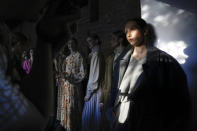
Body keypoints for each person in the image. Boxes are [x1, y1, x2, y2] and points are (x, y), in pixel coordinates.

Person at [110, 18, 190, 131]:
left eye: (132, 29)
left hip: (146, 120)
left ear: (145, 31)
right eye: (126, 31)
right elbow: (115, 88)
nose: (128, 34)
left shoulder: (162, 60)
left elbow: (177, 98)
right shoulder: (121, 60)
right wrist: (111, 110)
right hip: (120, 120)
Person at [99, 30, 129, 130]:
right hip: (110, 98)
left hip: (123, 98)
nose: (110, 42)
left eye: (113, 39)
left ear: (120, 40)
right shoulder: (109, 58)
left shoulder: (129, 56)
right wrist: (102, 99)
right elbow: (105, 80)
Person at [57, 38, 86, 131]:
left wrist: (70, 76)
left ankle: (74, 127)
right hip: (66, 87)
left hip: (74, 86)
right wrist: (61, 77)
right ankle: (67, 127)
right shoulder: (67, 58)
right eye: (68, 43)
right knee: (67, 108)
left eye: (72, 43)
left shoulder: (80, 56)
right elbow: (64, 72)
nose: (70, 45)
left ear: (76, 44)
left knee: (73, 108)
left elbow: (83, 73)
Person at [82, 33, 104, 131]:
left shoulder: (96, 54)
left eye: (90, 41)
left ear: (96, 40)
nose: (88, 43)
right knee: (93, 118)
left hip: (94, 90)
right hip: (95, 88)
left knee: (89, 118)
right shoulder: (95, 53)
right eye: (87, 42)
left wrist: (89, 93)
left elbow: (95, 76)